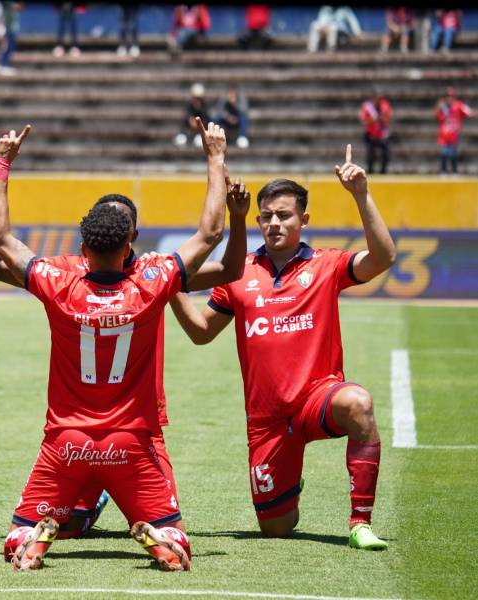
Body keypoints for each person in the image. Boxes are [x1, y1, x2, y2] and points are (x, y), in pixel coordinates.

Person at [0, 153, 250, 540]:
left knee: (39, 529)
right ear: (127, 239)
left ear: (87, 241)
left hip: (79, 432)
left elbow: (1, 246)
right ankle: (109, 503)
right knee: (106, 529)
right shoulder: (155, 276)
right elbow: (213, 242)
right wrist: (217, 162)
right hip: (129, 430)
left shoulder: (59, 278)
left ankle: (88, 503)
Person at [169, 145, 397, 550]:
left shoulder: (326, 265)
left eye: (284, 215)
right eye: (267, 216)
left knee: (358, 404)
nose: (274, 224)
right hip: (267, 421)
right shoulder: (237, 273)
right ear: (257, 220)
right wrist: (171, 291)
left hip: (317, 398)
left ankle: (360, 523)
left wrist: (361, 194)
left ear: (304, 220)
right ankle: (288, 485)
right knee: (277, 528)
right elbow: (202, 331)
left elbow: (383, 258)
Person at [436, 87, 472, 175]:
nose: (449, 98)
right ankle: (443, 171)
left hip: (455, 134)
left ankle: (454, 171)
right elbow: (437, 116)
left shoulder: (458, 105)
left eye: (451, 96)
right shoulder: (442, 107)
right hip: (444, 134)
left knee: (453, 153)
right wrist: (438, 107)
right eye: (447, 96)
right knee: (444, 153)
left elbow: (469, 112)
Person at [360, 90, 392, 174]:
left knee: (385, 154)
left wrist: (382, 119)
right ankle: (370, 171)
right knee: (371, 155)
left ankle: (383, 171)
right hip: (371, 134)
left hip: (382, 134)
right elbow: (364, 121)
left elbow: (388, 119)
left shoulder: (385, 105)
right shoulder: (367, 106)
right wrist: (374, 119)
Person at [174, 83, 210, 148]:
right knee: (181, 140)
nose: (197, 100)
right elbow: (185, 120)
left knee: (199, 142)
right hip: (187, 133)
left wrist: (199, 125)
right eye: (195, 98)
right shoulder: (188, 106)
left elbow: (207, 121)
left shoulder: (205, 107)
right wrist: (190, 121)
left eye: (199, 98)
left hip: (200, 134)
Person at [0, 1, 21, 75]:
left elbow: (19, 8)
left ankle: (2, 64)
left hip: (12, 25)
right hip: (9, 25)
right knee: (9, 45)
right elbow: (16, 7)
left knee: (11, 45)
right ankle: (3, 64)